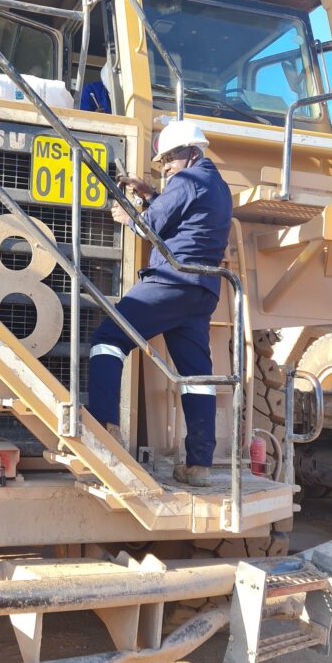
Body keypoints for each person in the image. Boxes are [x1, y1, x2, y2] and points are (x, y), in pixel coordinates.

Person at [87, 119, 233, 487]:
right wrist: (150, 194)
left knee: (108, 338)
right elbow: (184, 217)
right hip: (202, 291)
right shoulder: (216, 185)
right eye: (162, 159)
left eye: (170, 157)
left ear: (193, 153)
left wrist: (128, 216)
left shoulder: (188, 179)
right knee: (197, 376)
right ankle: (199, 465)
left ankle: (105, 429)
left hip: (171, 280)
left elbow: (150, 227)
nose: (165, 165)